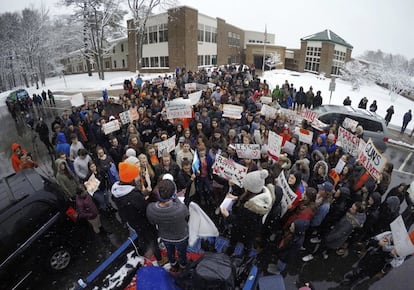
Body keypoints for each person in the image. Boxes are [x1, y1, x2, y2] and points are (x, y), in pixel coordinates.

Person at [112, 162, 166, 266]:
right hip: (143, 221)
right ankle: (160, 259)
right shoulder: (133, 195)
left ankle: (144, 251)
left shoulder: (117, 190)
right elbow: (145, 208)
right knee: (152, 238)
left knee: (141, 236)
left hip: (132, 221)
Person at [147, 178, 189, 273]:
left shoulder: (151, 208)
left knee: (170, 252)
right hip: (180, 237)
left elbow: (152, 222)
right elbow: (186, 214)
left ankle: (173, 265)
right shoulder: (180, 209)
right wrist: (177, 200)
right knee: (182, 253)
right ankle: (183, 266)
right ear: (173, 194)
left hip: (165, 236)